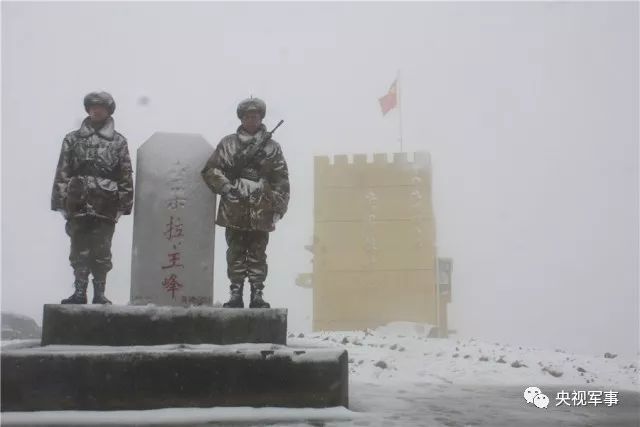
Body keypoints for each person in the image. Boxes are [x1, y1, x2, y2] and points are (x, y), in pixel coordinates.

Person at [201, 97, 290, 308]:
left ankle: (257, 292)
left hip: (261, 206)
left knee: (258, 252)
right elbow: (212, 170)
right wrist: (226, 187)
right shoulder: (228, 143)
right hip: (235, 205)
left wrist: (278, 206)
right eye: (248, 116)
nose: (252, 120)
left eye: (256, 116)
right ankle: (236, 292)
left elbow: (281, 179)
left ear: (261, 119)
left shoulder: (272, 147)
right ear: (242, 118)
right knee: (235, 252)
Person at [51, 91, 134, 304]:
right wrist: (60, 202)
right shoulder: (72, 139)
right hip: (77, 198)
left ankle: (100, 293)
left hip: (106, 202)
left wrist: (123, 205)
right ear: (87, 110)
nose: (96, 110)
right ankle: (79, 292)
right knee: (78, 248)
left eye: (101, 107)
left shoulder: (118, 141)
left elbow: (125, 175)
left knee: (102, 249)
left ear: (108, 111)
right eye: (92, 107)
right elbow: (63, 171)